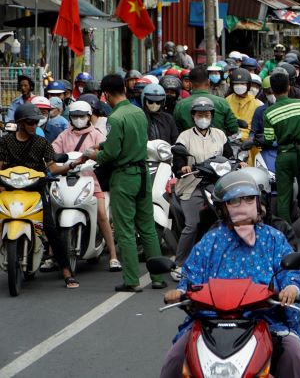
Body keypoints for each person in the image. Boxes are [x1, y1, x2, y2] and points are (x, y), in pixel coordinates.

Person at [159, 170, 300, 378]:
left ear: (258, 203)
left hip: (264, 320)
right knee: (174, 359)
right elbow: (191, 275)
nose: (243, 207)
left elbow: (290, 271)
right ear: (223, 208)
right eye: (235, 202)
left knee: (296, 355)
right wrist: (180, 291)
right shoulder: (211, 241)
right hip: (210, 322)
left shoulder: (273, 239)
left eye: (249, 199)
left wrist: (291, 287)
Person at [82, 74, 166, 292]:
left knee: (125, 230)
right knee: (147, 227)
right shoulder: (139, 113)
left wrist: (92, 154)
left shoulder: (115, 118)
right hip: (143, 173)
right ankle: (157, 277)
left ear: (107, 95)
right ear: (125, 90)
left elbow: (111, 153)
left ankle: (131, 280)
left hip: (124, 177)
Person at [0, 103, 79, 287]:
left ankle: (67, 271)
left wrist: (72, 165)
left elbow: (53, 168)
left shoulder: (42, 142)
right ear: (20, 123)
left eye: (36, 122)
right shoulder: (5, 142)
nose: (34, 125)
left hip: (35, 191)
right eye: (30, 122)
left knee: (51, 230)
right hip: (9, 191)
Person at [52, 100, 120, 272]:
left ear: (89, 117)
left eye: (82, 116)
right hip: (65, 180)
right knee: (52, 214)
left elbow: (104, 153)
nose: (78, 119)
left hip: (91, 180)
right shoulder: (64, 135)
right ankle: (52, 255)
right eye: (75, 116)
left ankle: (113, 255)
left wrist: (95, 158)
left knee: (102, 215)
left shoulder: (96, 134)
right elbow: (53, 152)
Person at [171, 98, 236, 279]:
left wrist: (239, 162)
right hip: (193, 185)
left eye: (207, 114)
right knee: (191, 225)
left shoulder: (220, 135)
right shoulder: (184, 137)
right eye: (200, 114)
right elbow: (178, 159)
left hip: (218, 185)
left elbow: (230, 157)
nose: (203, 118)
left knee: (234, 218)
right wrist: (182, 167)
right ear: (193, 116)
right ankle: (180, 263)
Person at [261, 73, 300, 246]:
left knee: (283, 196)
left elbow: (268, 138)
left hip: (283, 154)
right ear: (289, 87)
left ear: (272, 89)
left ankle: (285, 236)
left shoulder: (269, 112)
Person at [173, 65, 239, 135]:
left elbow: (176, 131)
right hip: (218, 144)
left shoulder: (181, 105)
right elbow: (233, 128)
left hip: (190, 145)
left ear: (190, 84)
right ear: (208, 82)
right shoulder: (222, 102)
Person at [226, 68, 262, 142]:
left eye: (242, 84)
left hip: (249, 143)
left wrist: (242, 135)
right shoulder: (226, 101)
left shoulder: (257, 104)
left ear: (248, 85)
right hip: (229, 140)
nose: (239, 86)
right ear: (232, 85)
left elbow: (257, 129)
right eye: (236, 84)